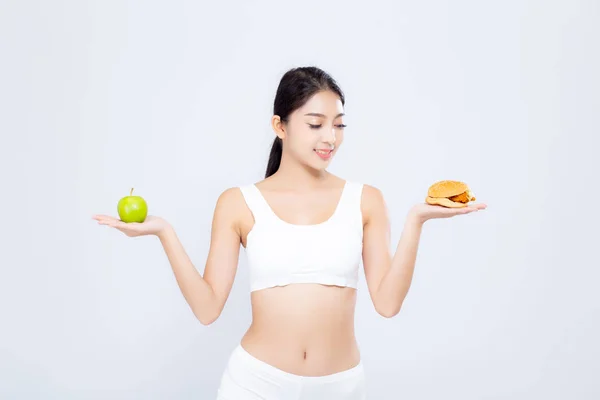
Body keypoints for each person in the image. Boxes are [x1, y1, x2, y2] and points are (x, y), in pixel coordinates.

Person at [93, 66, 487, 399]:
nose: (330, 138)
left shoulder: (365, 200)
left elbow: (387, 303)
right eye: (315, 124)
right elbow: (207, 308)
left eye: (338, 125)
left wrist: (416, 220)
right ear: (279, 126)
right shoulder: (238, 202)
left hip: (340, 386)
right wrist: (164, 233)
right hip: (255, 384)